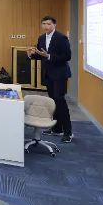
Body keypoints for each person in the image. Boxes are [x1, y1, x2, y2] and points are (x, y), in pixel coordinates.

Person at [28, 15, 73, 143]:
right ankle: (57, 129)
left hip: (60, 74)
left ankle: (68, 132)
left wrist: (48, 56)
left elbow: (67, 56)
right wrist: (31, 55)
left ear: (54, 25)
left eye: (49, 24)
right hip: (48, 74)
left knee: (60, 102)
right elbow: (41, 55)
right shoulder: (41, 38)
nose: (46, 26)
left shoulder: (61, 38)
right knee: (53, 101)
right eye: (44, 24)